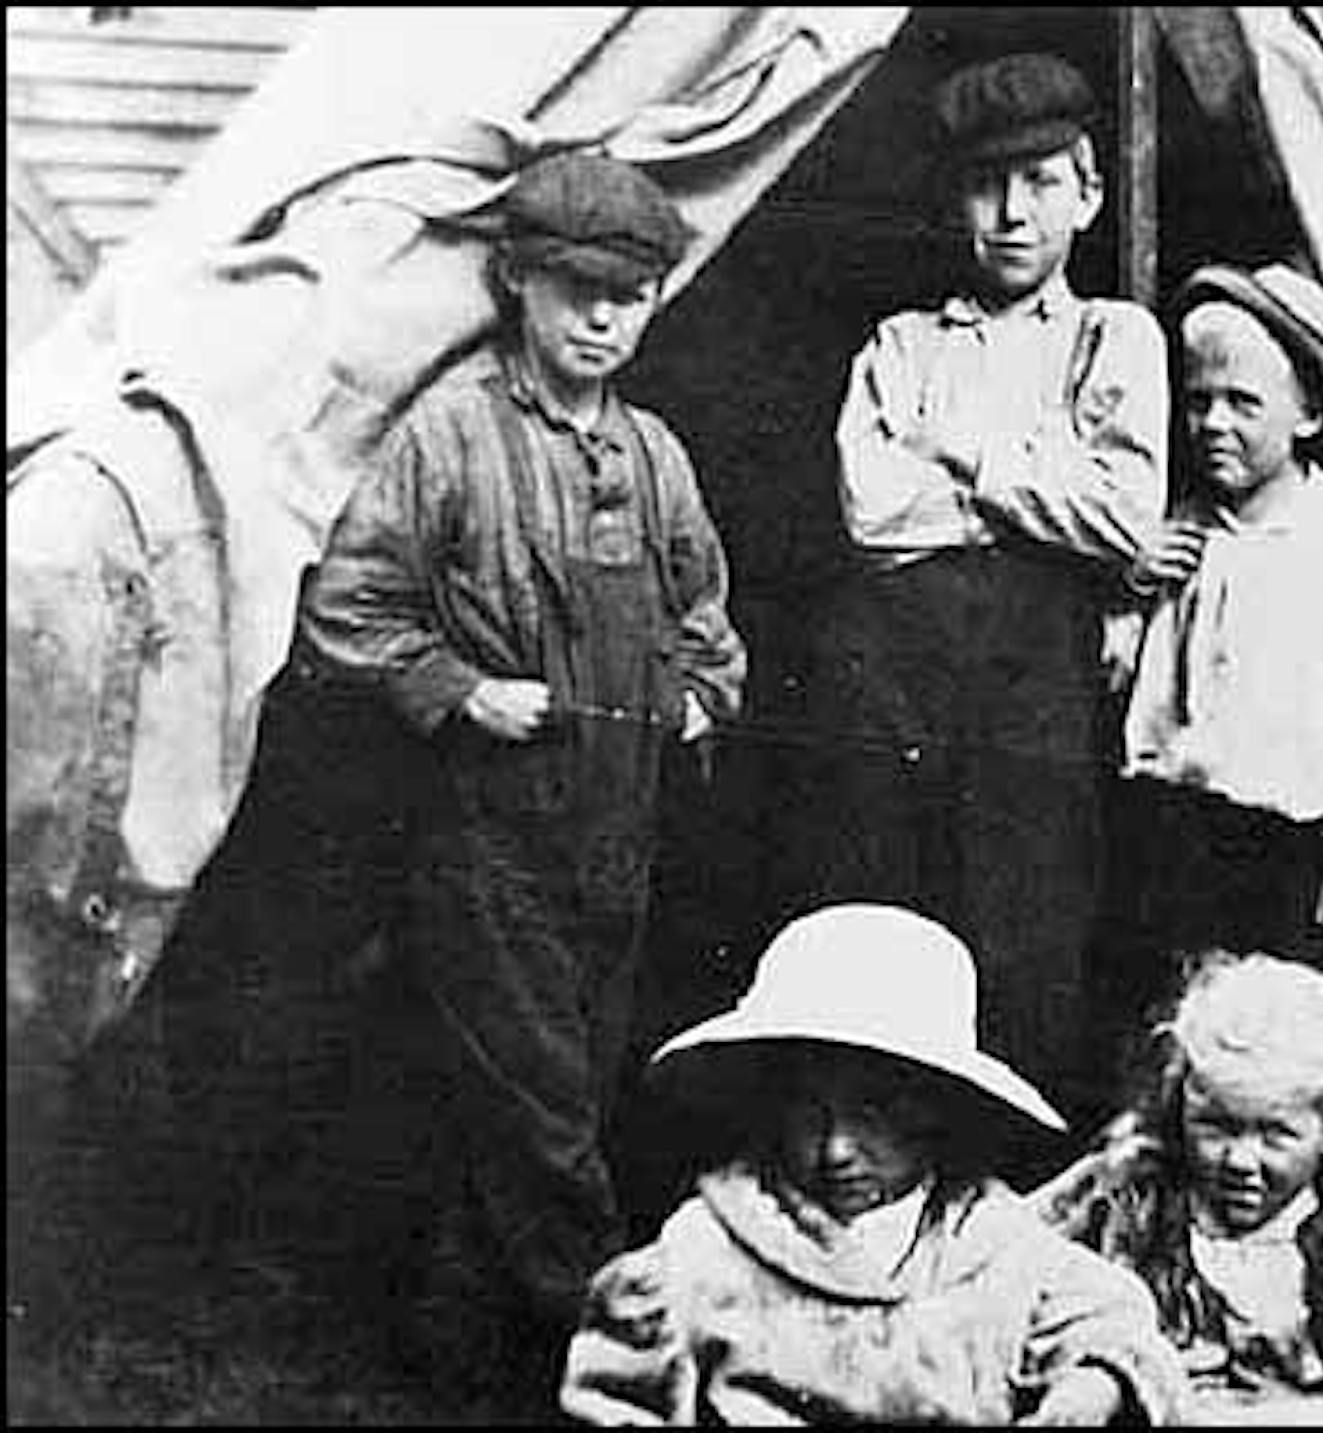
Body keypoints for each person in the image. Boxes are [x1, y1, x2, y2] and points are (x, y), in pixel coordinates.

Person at [298, 150, 747, 1382]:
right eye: (574, 290)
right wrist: (457, 690)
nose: (602, 319)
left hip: (619, 828)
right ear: (517, 285)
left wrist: (704, 697)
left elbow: (705, 613)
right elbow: (350, 606)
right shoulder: (452, 435)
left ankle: (464, 1349)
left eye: (632, 294)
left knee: (559, 1099)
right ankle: (623, 1347)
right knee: (544, 1109)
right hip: (487, 834)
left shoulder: (656, 453)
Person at [796, 51, 1169, 1130]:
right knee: (883, 927)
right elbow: (872, 513)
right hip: (892, 680)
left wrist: (961, 452)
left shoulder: (1115, 339)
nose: (1011, 213)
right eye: (985, 183)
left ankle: (1010, 1207)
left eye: (1042, 182)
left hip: (1032, 690)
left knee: (1025, 945)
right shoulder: (900, 345)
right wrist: (1035, 486)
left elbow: (1121, 517)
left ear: (1090, 194)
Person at [558, 903, 1188, 1425]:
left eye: (872, 1114)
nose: (835, 1151)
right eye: (810, 1113)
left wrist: (1094, 1386)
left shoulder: (1001, 1249)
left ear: (936, 1111)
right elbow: (614, 1406)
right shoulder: (699, 1261)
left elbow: (1117, 1330)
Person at [1099, 262, 1323, 1026]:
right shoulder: (1177, 535)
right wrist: (1130, 588)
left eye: (1243, 404)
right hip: (1163, 830)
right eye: (1198, 403)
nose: (1214, 424)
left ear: (1308, 414)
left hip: (1280, 850)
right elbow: (1116, 676)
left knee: (1272, 1031)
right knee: (1158, 1024)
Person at [1030, 952, 1323, 1425]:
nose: (1240, 1161)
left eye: (1277, 1135)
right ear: (1179, 1109)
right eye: (1215, 1127)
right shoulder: (1123, 1196)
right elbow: (1014, 1255)